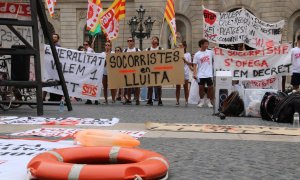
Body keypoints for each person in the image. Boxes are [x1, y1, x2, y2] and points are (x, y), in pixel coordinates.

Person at [193, 38, 214, 108]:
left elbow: (218, 53)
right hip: (201, 74)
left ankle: (208, 101)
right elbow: (195, 65)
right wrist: (194, 74)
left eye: (207, 44)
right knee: (201, 88)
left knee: (210, 87)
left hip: (209, 73)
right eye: (205, 44)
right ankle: (201, 100)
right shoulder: (197, 54)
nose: (207, 45)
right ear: (201, 45)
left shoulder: (210, 52)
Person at [123, 37, 141, 105]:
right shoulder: (124, 51)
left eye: (131, 41)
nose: (129, 42)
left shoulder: (137, 50)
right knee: (128, 86)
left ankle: (137, 98)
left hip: (136, 70)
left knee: (137, 86)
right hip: (127, 70)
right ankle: (129, 99)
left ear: (133, 42)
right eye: (128, 41)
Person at [45, 33, 63, 102]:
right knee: (49, 80)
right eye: (52, 37)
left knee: (55, 81)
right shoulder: (47, 46)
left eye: (55, 37)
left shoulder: (59, 47)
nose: (53, 38)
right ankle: (51, 96)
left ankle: (56, 97)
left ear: (58, 39)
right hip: (49, 67)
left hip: (55, 67)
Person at [146, 36, 163, 106]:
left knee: (159, 86)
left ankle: (159, 99)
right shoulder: (148, 49)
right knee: (150, 86)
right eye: (152, 39)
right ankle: (150, 99)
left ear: (157, 41)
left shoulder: (161, 49)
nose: (153, 40)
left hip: (158, 69)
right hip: (150, 69)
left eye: (155, 39)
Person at [175, 41, 193, 106]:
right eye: (179, 46)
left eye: (181, 46)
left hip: (185, 72)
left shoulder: (188, 54)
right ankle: (177, 100)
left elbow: (189, 64)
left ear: (184, 47)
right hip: (178, 72)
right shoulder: (176, 53)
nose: (179, 47)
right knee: (178, 87)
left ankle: (186, 100)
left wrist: (185, 61)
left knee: (185, 87)